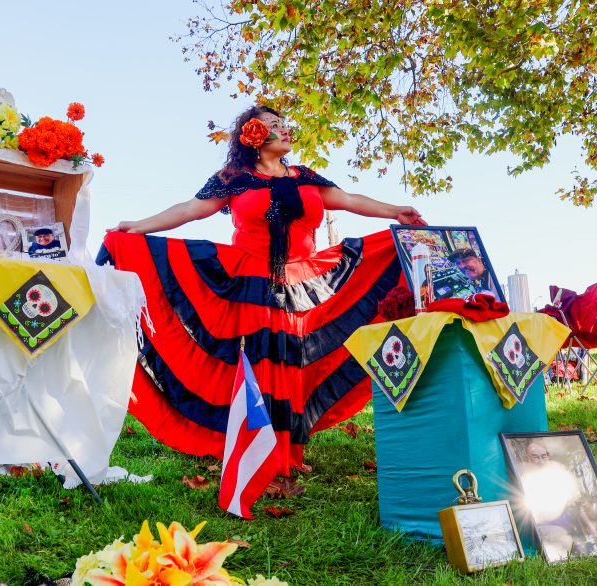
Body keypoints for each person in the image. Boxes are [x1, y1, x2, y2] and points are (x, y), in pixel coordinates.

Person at [101, 105, 426, 474]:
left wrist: (396, 212)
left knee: (292, 363)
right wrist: (139, 228)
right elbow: (191, 209)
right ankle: (258, 452)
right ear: (253, 136)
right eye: (274, 125)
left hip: (304, 279)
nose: (286, 130)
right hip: (250, 279)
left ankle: (288, 451)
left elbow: (350, 201)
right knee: (262, 364)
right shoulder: (235, 177)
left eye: (285, 124)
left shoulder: (305, 177)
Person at [521, 441, 597, 558]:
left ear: (548, 457)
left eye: (543, 456)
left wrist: (596, 534)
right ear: (528, 459)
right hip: (549, 534)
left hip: (571, 531)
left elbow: (577, 508)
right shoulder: (525, 482)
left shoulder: (558, 479)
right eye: (535, 457)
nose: (540, 461)